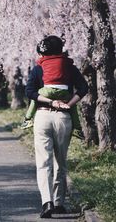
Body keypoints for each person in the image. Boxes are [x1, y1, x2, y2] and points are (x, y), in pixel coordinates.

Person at [25, 35, 88, 218]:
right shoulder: (69, 67)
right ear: (60, 50)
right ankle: (59, 203)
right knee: (60, 161)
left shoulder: (38, 68)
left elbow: (30, 92)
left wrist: (50, 102)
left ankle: (47, 202)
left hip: (43, 116)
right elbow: (83, 88)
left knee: (43, 162)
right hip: (63, 118)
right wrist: (69, 103)